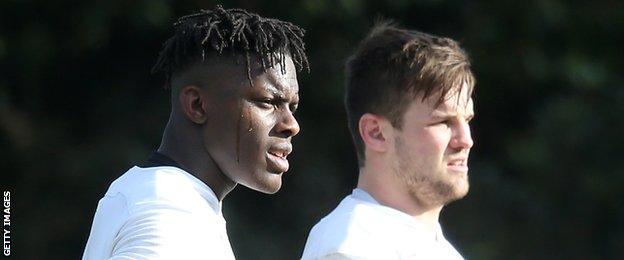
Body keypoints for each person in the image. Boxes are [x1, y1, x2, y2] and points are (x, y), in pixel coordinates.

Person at [82, 6, 308, 259]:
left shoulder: (165, 198)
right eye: (267, 102)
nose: (291, 124)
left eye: (293, 107)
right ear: (197, 105)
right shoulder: (169, 213)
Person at [301, 22, 475, 260]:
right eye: (443, 122)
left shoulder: (439, 250)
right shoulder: (350, 249)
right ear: (376, 133)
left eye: (466, 119)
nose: (465, 140)